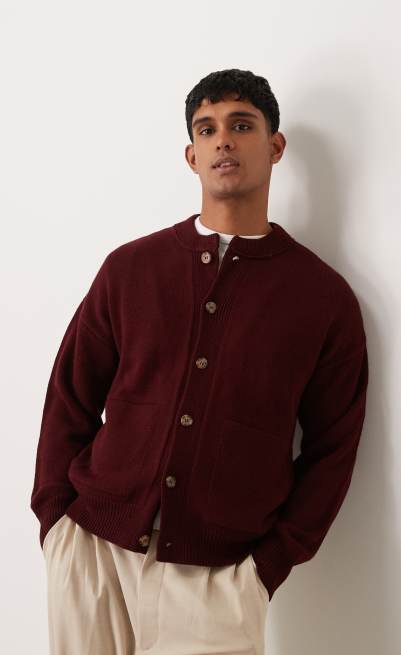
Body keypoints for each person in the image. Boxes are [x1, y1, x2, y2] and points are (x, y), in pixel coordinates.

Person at [30, 68, 369, 655]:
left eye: (242, 125)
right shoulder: (130, 269)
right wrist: (56, 519)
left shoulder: (322, 298)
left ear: (275, 146)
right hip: (93, 553)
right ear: (192, 156)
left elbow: (333, 449)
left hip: (220, 579)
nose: (223, 140)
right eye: (207, 129)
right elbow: (70, 396)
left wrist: (268, 567)